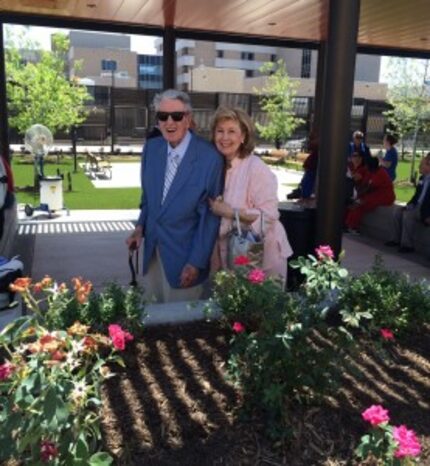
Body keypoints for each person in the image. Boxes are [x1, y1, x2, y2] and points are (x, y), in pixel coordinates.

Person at [126, 89, 224, 303]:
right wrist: (139, 228)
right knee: (153, 321)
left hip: (185, 260)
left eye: (177, 116)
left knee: (181, 327)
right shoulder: (151, 149)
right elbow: (148, 200)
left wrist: (196, 262)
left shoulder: (210, 158)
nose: (169, 122)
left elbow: (209, 218)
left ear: (188, 119)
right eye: (163, 116)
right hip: (152, 252)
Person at [208, 107, 292, 283]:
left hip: (263, 257)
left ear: (243, 136)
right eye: (220, 131)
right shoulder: (216, 167)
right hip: (230, 257)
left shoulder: (255, 167)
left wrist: (230, 213)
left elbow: (268, 215)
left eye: (232, 131)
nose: (224, 137)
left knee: (261, 308)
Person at [385, 152, 430, 253]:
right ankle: (395, 239)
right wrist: (409, 204)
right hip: (417, 206)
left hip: (425, 210)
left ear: (428, 166)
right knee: (397, 211)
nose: (419, 167)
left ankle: (407, 245)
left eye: (421, 164)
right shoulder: (422, 178)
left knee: (408, 215)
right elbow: (416, 196)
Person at [345, 156, 395, 234]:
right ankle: (347, 224)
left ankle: (352, 226)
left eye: (367, 166)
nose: (366, 167)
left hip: (384, 197)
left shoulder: (380, 174)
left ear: (372, 167)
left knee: (360, 204)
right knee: (356, 202)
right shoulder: (371, 171)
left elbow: (369, 188)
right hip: (374, 194)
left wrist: (358, 197)